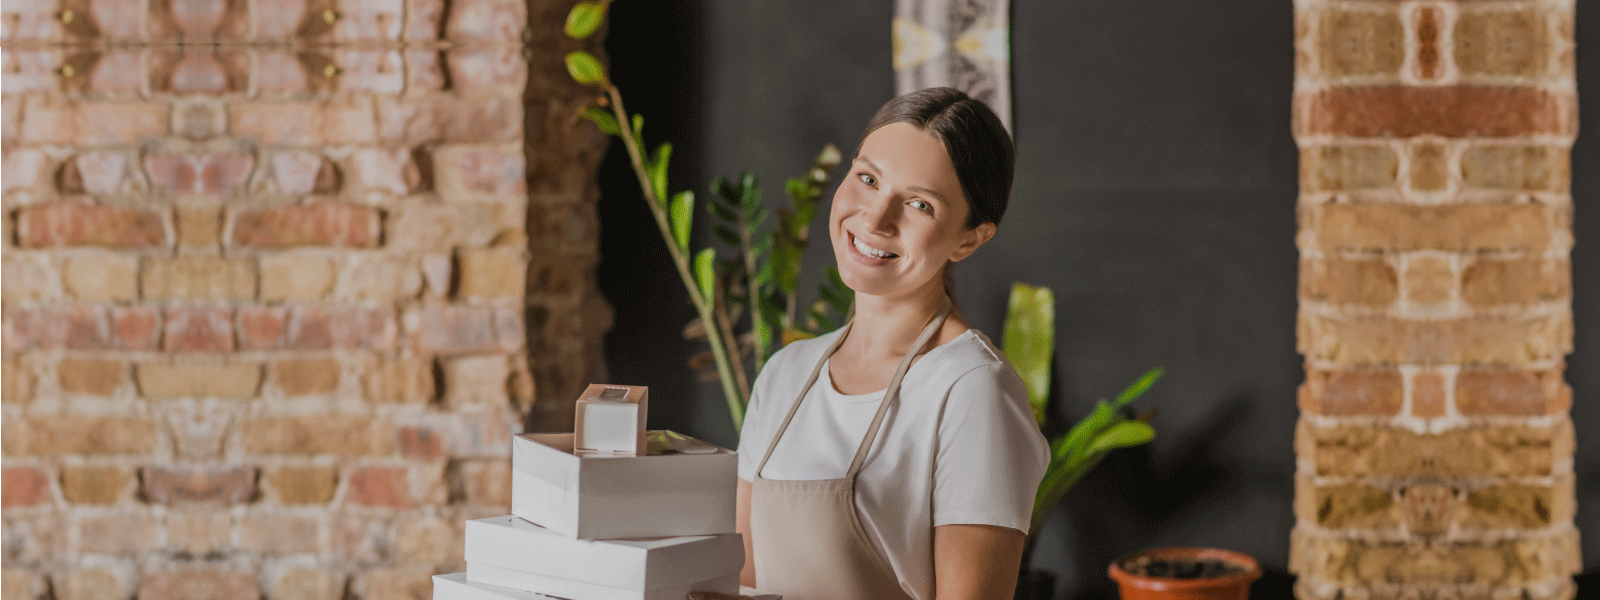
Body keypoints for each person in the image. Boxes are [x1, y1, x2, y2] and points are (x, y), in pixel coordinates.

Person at [693, 87, 1049, 600]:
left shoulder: (972, 391)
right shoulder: (786, 374)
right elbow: (744, 582)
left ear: (969, 239)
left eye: (920, 205)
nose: (875, 219)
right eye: (868, 178)